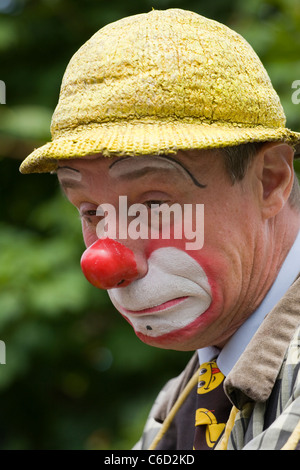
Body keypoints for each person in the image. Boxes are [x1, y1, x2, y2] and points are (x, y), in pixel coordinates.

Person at [20, 9, 300, 450]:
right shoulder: (178, 406)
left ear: (269, 180)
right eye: (90, 211)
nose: (107, 263)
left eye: (153, 204)